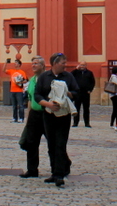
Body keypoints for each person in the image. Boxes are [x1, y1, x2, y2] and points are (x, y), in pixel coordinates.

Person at [35, 53, 79, 187]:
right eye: (63, 63)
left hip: (63, 116)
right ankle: (54, 172)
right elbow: (37, 94)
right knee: (51, 144)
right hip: (48, 115)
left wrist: (67, 93)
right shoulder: (44, 77)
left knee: (60, 143)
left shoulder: (69, 76)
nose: (65, 65)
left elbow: (77, 92)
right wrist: (47, 104)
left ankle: (60, 175)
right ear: (54, 63)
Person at [18, 55, 46, 178]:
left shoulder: (47, 79)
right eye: (32, 63)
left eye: (36, 63)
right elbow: (30, 99)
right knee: (31, 143)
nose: (33, 65)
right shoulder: (32, 81)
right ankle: (32, 170)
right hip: (34, 114)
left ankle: (62, 166)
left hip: (47, 114)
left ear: (43, 66)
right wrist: (28, 117)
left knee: (53, 143)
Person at [71, 62, 95, 128]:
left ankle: (87, 123)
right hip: (78, 93)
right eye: (81, 65)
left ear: (86, 66)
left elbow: (92, 82)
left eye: (83, 65)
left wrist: (90, 90)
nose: (82, 66)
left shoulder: (89, 73)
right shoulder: (76, 72)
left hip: (86, 93)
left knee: (86, 109)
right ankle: (75, 123)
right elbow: (70, 75)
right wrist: (76, 69)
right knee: (76, 108)